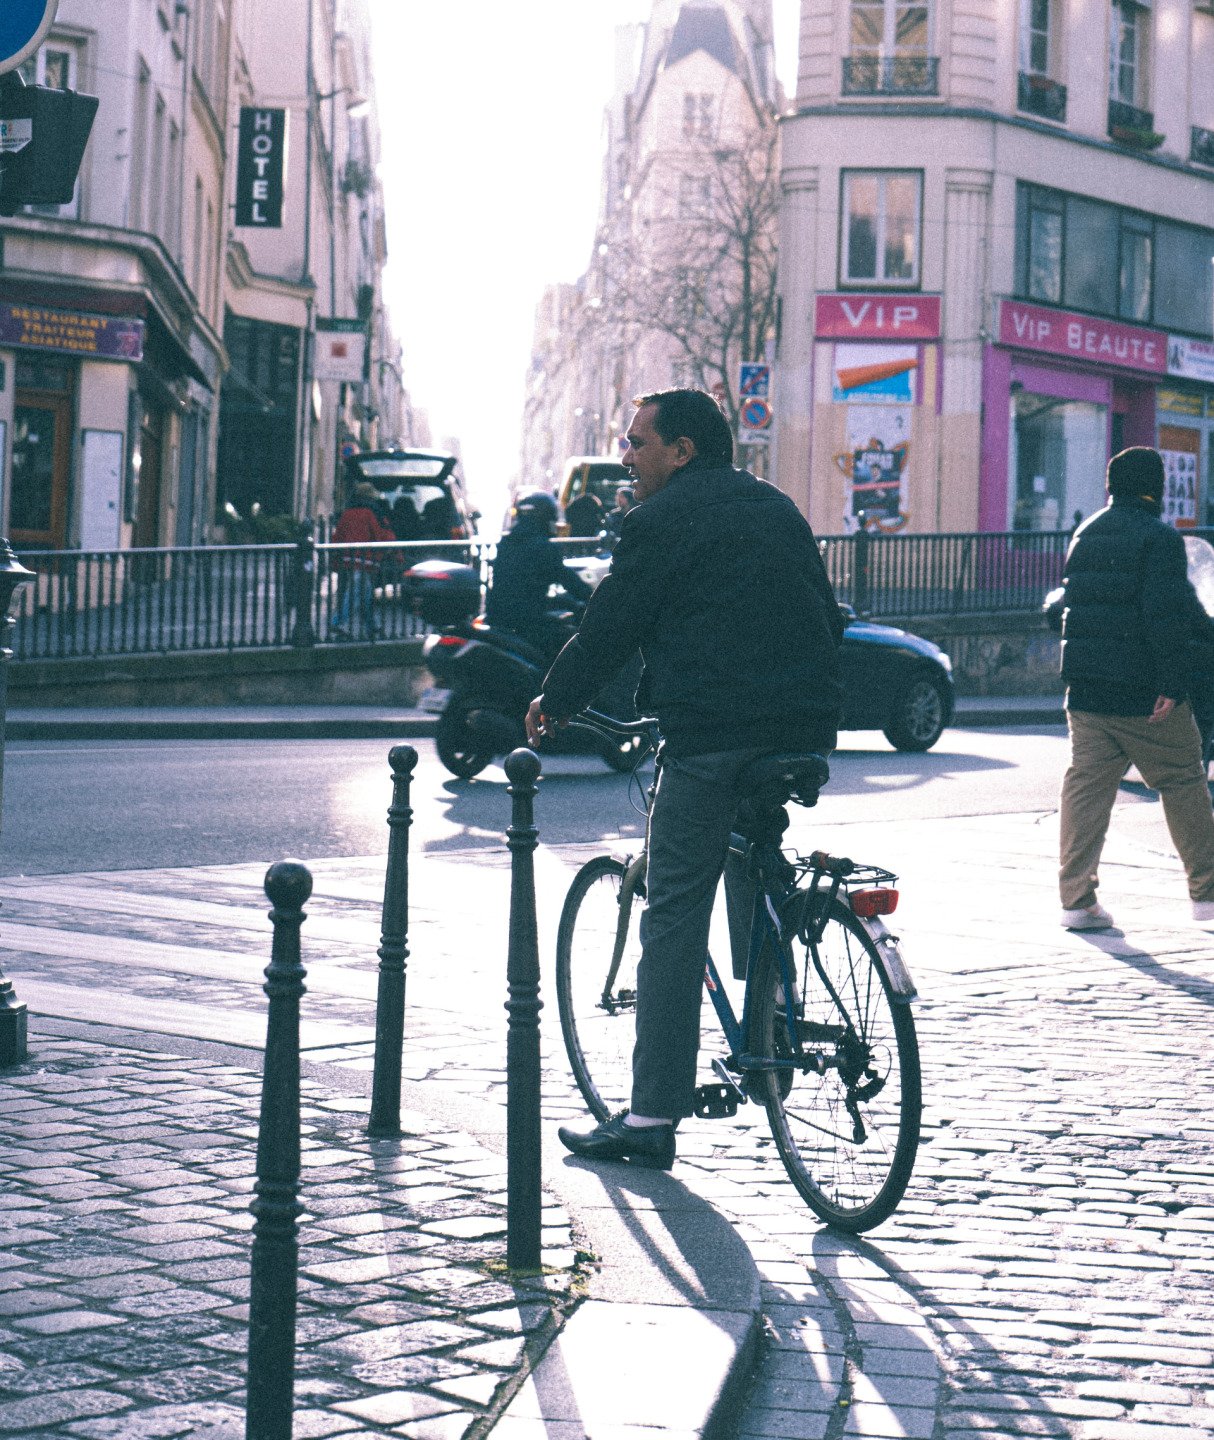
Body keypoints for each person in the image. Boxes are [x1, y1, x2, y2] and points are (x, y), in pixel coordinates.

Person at [525, 388, 843, 1169]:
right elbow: (827, 616)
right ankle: (770, 1011)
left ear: (683, 450)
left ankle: (648, 1120)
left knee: (671, 917)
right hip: (800, 728)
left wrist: (556, 702)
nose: (626, 456)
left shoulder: (656, 522)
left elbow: (611, 625)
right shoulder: (778, 508)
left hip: (710, 735)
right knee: (754, 850)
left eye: (637, 442)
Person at [1057, 445, 1214, 931]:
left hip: (1084, 688)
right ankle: (1207, 893)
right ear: (1157, 488)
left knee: (1087, 787)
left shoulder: (1086, 532)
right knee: (1184, 780)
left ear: (1111, 485)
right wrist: (1171, 681)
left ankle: (1076, 901)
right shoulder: (1159, 537)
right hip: (1141, 690)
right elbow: (1168, 614)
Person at [485, 490, 594, 658]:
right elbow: (569, 581)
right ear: (544, 517)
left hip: (499, 617)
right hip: (527, 621)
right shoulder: (543, 548)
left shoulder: (506, 543)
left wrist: (568, 602)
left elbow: (523, 589)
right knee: (570, 647)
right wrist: (592, 598)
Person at [331, 480, 395, 640]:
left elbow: (338, 536)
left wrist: (335, 558)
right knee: (355, 593)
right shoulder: (373, 512)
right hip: (366, 559)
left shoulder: (347, 513)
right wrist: (392, 552)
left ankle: (371, 626)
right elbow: (381, 534)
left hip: (348, 558)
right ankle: (337, 622)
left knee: (364, 593)